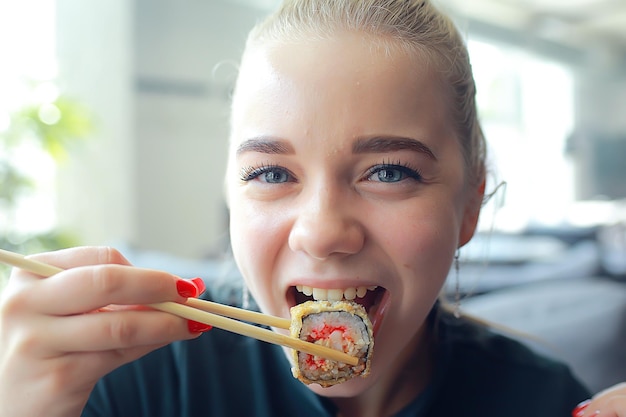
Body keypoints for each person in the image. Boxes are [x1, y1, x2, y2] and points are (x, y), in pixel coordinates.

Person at [0, 0, 621, 416]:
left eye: (388, 172)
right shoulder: (125, 383)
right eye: (271, 173)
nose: (323, 232)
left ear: (469, 206)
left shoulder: (544, 402)